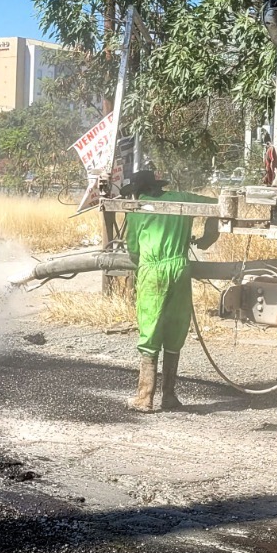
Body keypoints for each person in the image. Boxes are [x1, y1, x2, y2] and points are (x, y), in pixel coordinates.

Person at [122, 168, 218, 412]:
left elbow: (133, 249)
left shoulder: (136, 209)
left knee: (150, 326)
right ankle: (169, 396)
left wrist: (140, 264)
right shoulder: (183, 198)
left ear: (139, 191)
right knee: (176, 325)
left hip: (152, 270)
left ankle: (144, 397)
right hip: (180, 268)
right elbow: (218, 205)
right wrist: (208, 237)